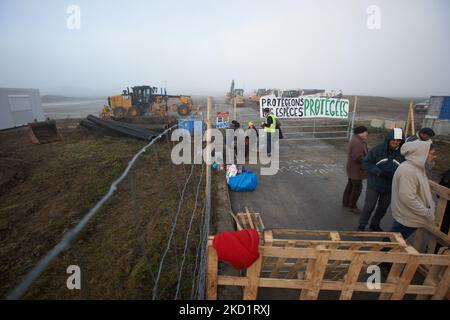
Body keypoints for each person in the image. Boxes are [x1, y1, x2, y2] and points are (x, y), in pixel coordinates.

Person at [357, 128, 405, 231]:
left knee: (383, 208)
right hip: (374, 184)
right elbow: (366, 163)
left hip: (390, 186)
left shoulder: (403, 153)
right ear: (388, 139)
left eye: (398, 140)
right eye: (393, 139)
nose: (395, 142)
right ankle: (362, 224)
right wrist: (380, 172)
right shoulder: (378, 149)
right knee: (369, 206)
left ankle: (374, 224)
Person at [389, 141, 437, 239]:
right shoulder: (408, 171)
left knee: (394, 241)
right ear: (421, 154)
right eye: (432, 154)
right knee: (392, 243)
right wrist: (426, 212)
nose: (434, 157)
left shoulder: (416, 167)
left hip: (409, 216)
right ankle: (381, 254)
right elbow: (408, 198)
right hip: (408, 217)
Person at [342, 126, 369, 213]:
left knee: (350, 186)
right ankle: (352, 206)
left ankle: (346, 202)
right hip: (356, 170)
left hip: (352, 169)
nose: (367, 134)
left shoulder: (356, 140)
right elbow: (357, 158)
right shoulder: (357, 143)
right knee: (356, 189)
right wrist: (369, 158)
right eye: (366, 132)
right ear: (361, 132)